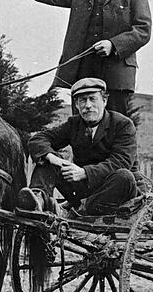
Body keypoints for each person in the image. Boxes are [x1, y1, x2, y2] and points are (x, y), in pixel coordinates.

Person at [16, 0, 152, 117]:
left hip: (116, 79)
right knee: (81, 132)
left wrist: (113, 45)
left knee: (115, 133)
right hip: (82, 76)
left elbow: (143, 29)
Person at [17, 77, 138, 216]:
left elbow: (120, 162)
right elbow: (38, 139)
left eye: (93, 99)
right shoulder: (74, 124)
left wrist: (84, 172)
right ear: (76, 105)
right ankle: (38, 201)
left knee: (125, 176)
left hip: (113, 192)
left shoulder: (123, 125)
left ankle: (75, 211)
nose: (87, 105)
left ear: (104, 101)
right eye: (82, 100)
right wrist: (54, 159)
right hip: (82, 191)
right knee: (46, 160)